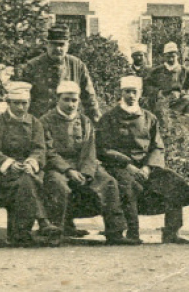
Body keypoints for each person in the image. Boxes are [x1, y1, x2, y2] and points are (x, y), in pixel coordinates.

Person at [97, 76, 189, 244]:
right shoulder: (109, 118)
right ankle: (132, 233)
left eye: (134, 92)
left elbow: (157, 146)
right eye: (127, 92)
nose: (131, 96)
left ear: (140, 94)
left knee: (175, 183)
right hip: (120, 167)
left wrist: (148, 167)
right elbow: (103, 148)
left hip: (146, 167)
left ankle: (171, 232)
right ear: (121, 93)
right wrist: (127, 164)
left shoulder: (149, 118)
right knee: (128, 187)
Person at [40, 80, 128, 245]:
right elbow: (48, 151)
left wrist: (86, 172)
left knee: (108, 182)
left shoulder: (84, 121)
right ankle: (55, 232)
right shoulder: (46, 121)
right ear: (57, 99)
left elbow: (89, 150)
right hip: (58, 167)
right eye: (66, 99)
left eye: (74, 100)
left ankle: (115, 232)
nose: (71, 104)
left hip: (83, 165)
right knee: (57, 185)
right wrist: (68, 170)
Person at [0, 81, 58, 245]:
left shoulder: (35, 123)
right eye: (16, 103)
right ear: (8, 103)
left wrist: (31, 161)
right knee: (26, 181)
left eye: (24, 103)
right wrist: (10, 163)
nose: (20, 107)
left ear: (29, 103)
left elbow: (40, 148)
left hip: (30, 170)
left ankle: (20, 233)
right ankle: (42, 221)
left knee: (26, 179)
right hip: (5, 175)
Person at [19, 26, 102, 122]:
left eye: (61, 44)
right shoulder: (32, 66)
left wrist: (97, 122)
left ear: (68, 45)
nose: (58, 48)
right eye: (54, 44)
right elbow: (22, 99)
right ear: (47, 45)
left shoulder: (77, 65)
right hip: (40, 123)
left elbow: (89, 97)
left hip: (69, 123)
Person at [143, 41, 189, 137]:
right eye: (168, 56)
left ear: (177, 56)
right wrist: (159, 93)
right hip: (161, 101)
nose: (171, 58)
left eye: (173, 55)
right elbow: (146, 86)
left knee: (187, 103)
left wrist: (182, 93)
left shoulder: (185, 71)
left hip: (180, 103)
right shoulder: (156, 72)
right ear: (164, 56)